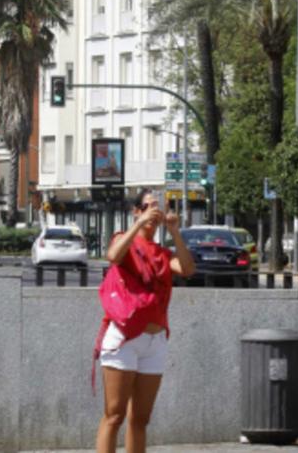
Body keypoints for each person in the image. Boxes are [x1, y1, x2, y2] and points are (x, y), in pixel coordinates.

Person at [94, 190, 194, 453]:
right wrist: (138, 225)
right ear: (136, 211)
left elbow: (187, 269)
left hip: (155, 339)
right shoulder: (124, 240)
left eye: (157, 207)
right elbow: (114, 256)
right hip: (125, 337)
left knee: (140, 419)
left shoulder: (162, 252)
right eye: (147, 206)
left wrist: (174, 231)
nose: (153, 211)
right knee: (114, 415)